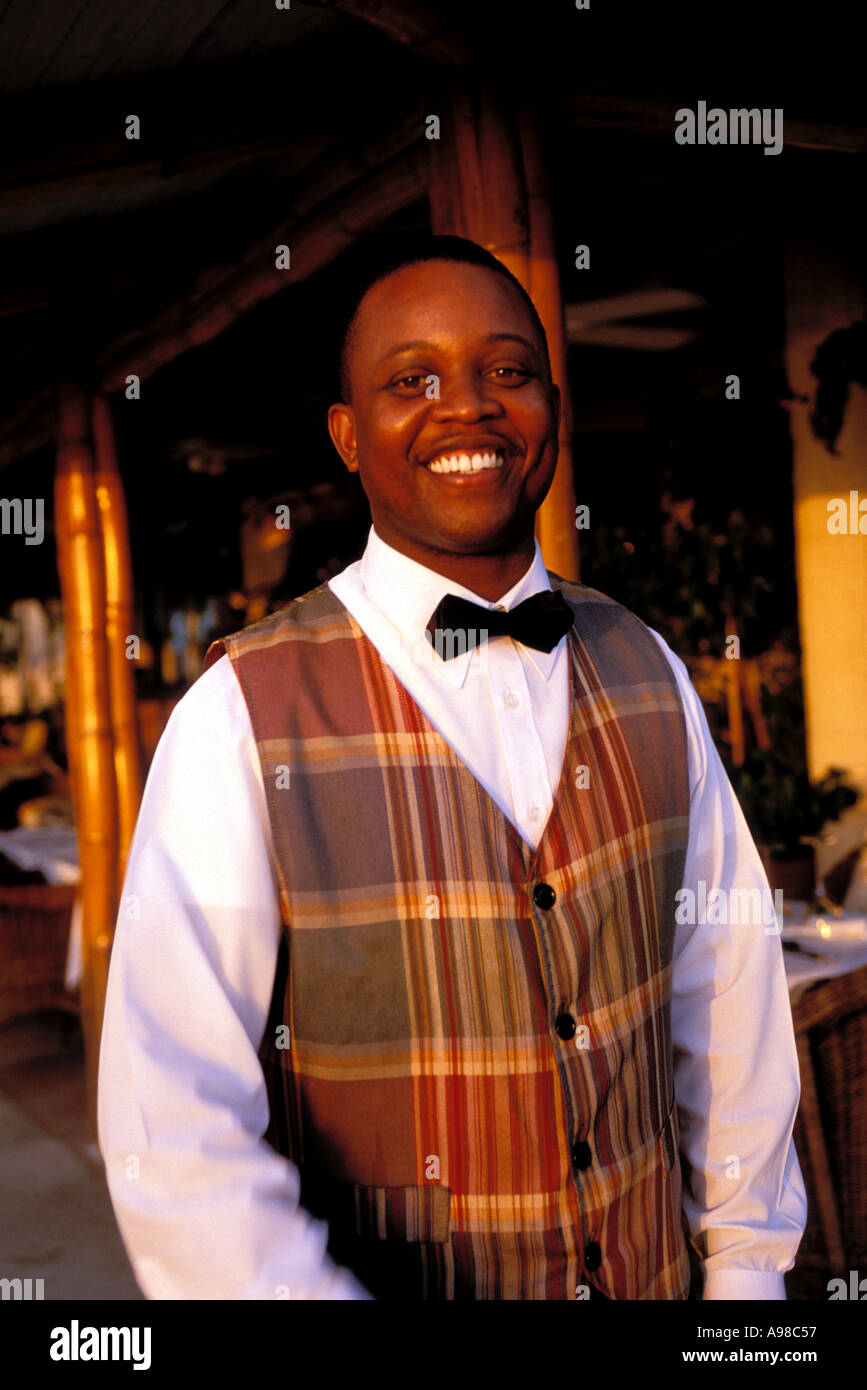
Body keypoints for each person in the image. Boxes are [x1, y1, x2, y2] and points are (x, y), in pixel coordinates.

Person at [98, 233, 806, 1301]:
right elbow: (174, 1123)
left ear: (552, 411)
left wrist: (745, 1286)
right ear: (347, 435)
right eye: (410, 380)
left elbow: (727, 1007)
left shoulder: (647, 664)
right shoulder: (241, 716)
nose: (466, 406)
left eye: (506, 371)